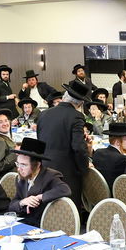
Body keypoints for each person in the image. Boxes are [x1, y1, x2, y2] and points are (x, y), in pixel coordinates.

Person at [38, 79, 91, 210]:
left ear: (64, 97)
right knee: (69, 211)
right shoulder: (76, 116)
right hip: (67, 172)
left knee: (49, 209)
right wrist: (84, 168)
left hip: (44, 168)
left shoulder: (44, 114)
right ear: (80, 104)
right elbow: (78, 148)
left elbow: (40, 139)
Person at [7, 137, 70, 227]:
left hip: (44, 226)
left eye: (24, 165)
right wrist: (23, 202)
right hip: (24, 223)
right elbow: (12, 206)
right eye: (18, 163)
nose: (19, 168)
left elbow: (65, 189)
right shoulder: (21, 178)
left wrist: (39, 197)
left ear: (37, 165)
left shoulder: (50, 176)